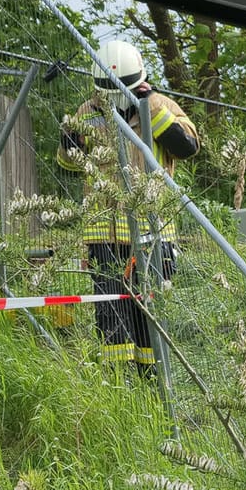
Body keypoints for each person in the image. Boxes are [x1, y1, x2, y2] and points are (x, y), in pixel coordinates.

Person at [57, 38, 198, 372]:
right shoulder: (86, 112)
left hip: (153, 233)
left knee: (148, 314)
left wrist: (152, 110)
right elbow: (67, 164)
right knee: (111, 317)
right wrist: (68, 143)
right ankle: (121, 390)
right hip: (103, 235)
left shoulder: (163, 104)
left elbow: (189, 146)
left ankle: (154, 387)